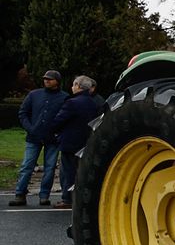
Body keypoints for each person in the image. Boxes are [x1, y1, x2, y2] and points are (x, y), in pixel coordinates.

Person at [11, 69, 66, 207]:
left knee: (50, 168)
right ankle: (20, 194)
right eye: (45, 78)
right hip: (33, 137)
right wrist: (30, 128)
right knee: (27, 166)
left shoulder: (64, 97)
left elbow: (66, 117)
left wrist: (58, 132)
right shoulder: (34, 94)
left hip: (52, 139)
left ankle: (44, 195)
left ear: (57, 82)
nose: (46, 80)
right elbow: (23, 113)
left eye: (50, 79)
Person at [46, 76, 105, 205]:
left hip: (70, 142)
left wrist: (52, 130)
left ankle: (67, 199)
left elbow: (58, 121)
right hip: (86, 141)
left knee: (68, 172)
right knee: (81, 171)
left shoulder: (72, 102)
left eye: (73, 85)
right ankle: (81, 198)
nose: (72, 87)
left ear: (78, 85)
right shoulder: (94, 102)